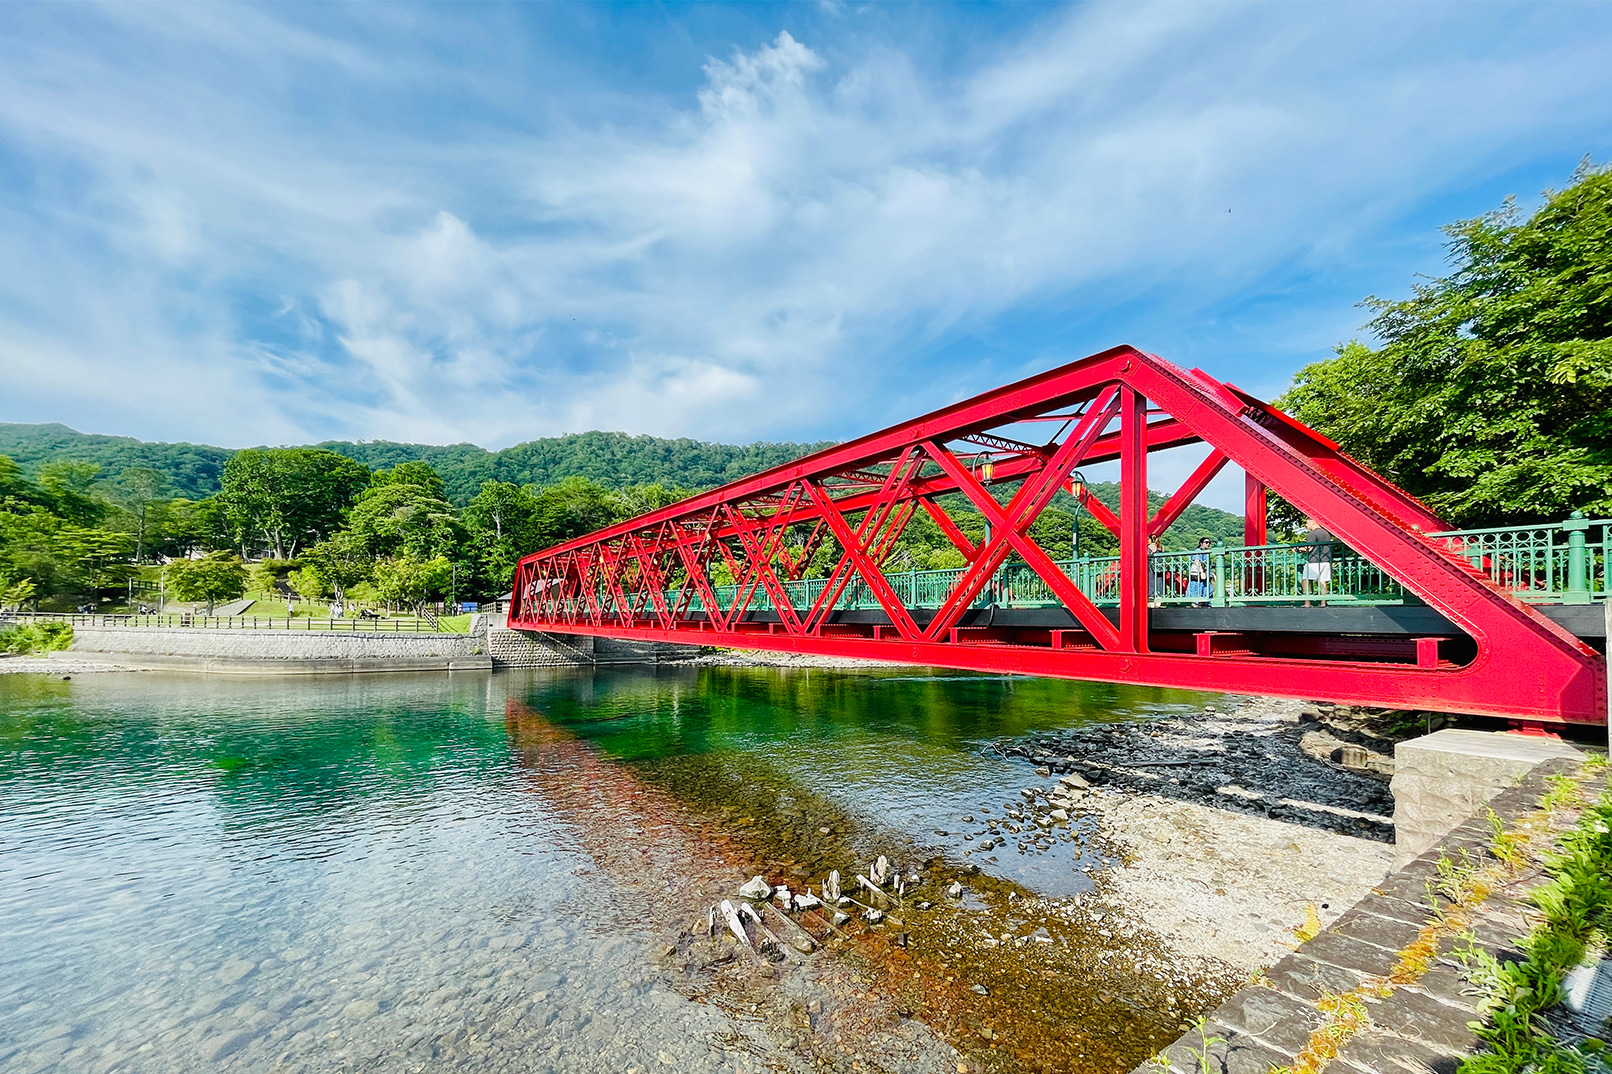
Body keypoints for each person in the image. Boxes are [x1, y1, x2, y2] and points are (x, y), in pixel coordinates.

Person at [1299, 517, 1333, 605]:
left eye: (1307, 523)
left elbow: (1309, 548)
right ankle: (1323, 603)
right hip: (1326, 560)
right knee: (1323, 581)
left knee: (1305, 580)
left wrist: (1298, 549)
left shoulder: (1312, 534)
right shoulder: (1326, 533)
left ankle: (1307, 603)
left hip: (1314, 561)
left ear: (1313, 522)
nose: (1306, 525)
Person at [1187, 536, 1213, 606]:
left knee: (1206, 589)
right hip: (1199, 574)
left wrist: (1212, 574)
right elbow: (1196, 561)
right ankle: (1196, 603)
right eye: (1206, 542)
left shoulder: (1206, 552)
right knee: (1198, 589)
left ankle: (1201, 602)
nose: (1208, 544)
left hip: (1205, 574)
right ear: (1201, 543)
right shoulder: (1198, 551)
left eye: (1209, 542)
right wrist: (1201, 571)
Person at [1147, 537, 1165, 607]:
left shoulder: (1149, 547)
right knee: (1159, 585)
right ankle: (1158, 603)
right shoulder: (1161, 547)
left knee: (1151, 585)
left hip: (1151, 568)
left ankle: (1152, 604)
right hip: (1160, 568)